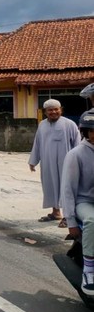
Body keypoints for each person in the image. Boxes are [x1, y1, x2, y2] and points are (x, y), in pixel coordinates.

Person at [28, 99, 80, 226]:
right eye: (50, 110)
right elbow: (37, 143)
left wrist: (79, 162)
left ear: (61, 110)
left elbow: (78, 144)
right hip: (48, 163)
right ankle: (56, 212)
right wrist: (33, 160)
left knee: (67, 188)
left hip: (67, 163)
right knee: (50, 186)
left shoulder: (70, 124)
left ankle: (69, 217)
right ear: (45, 112)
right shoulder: (42, 125)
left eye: (56, 109)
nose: (53, 112)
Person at [60, 109, 94, 295]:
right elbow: (68, 190)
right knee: (92, 221)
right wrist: (71, 222)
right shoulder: (76, 154)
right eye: (93, 131)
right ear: (86, 132)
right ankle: (89, 271)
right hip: (85, 202)